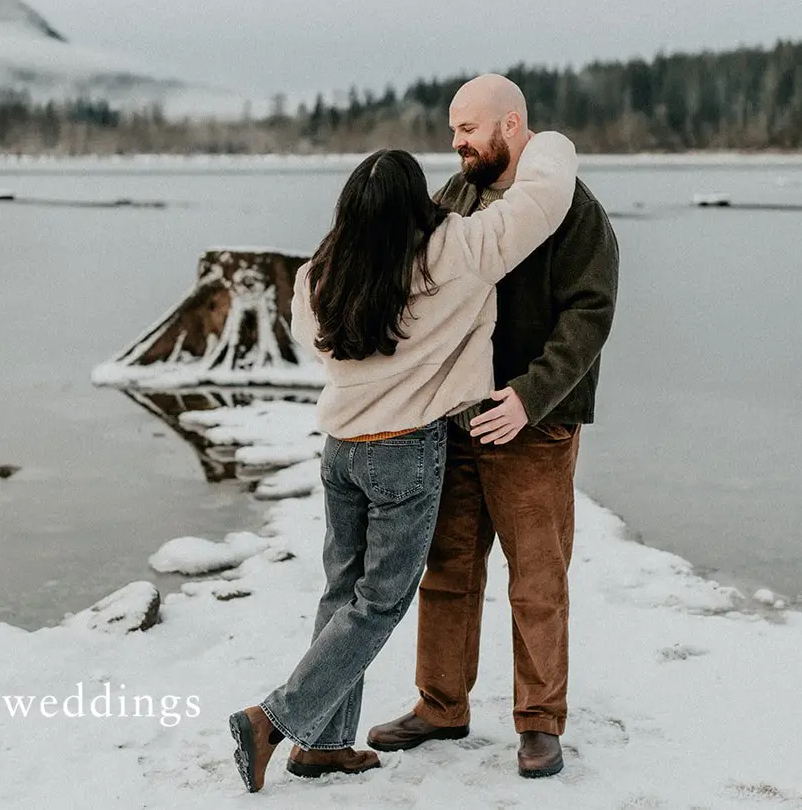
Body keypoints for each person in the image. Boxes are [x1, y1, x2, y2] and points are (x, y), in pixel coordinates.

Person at [228, 124, 579, 794]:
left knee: (341, 593)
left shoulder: (322, 275)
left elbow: (314, 336)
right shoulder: (460, 251)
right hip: (405, 453)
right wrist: (546, 139)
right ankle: (274, 720)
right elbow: (545, 199)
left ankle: (325, 745)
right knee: (379, 604)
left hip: (340, 453)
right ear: (417, 204)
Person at [367, 74, 619, 779]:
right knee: (447, 566)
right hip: (458, 416)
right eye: (452, 130)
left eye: (467, 129)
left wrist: (530, 396)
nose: (455, 142)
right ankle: (441, 703)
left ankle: (540, 722)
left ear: (511, 126)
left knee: (537, 577)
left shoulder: (573, 208)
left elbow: (590, 313)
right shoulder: (459, 195)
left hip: (532, 424)